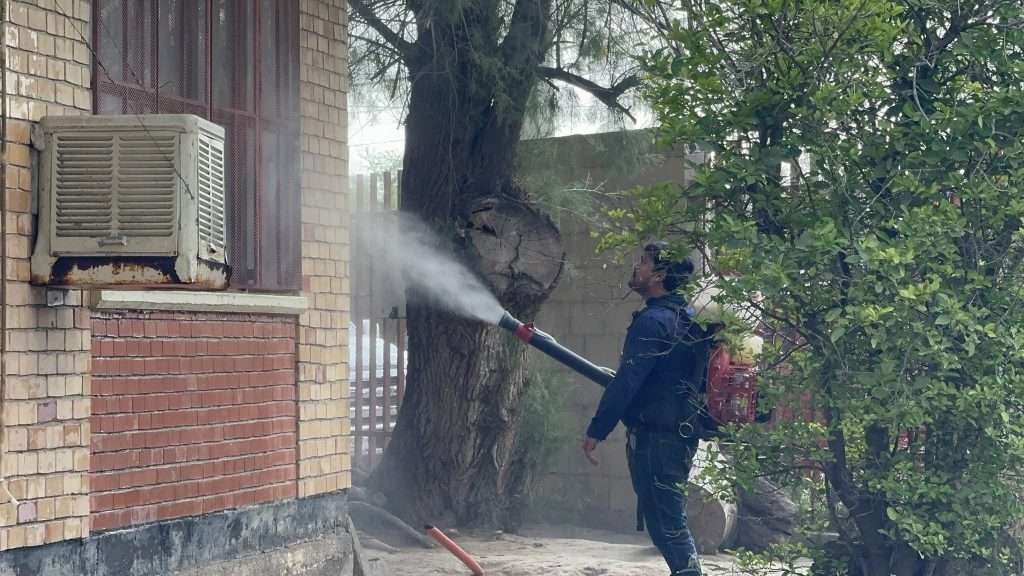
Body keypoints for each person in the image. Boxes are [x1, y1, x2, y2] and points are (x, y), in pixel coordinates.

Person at [582, 242, 706, 576]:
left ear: (659, 275)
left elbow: (627, 382)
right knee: (666, 522)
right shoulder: (687, 319)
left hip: (658, 440)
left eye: (644, 262)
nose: (637, 267)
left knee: (669, 524)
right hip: (677, 435)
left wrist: (597, 430)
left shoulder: (654, 322)